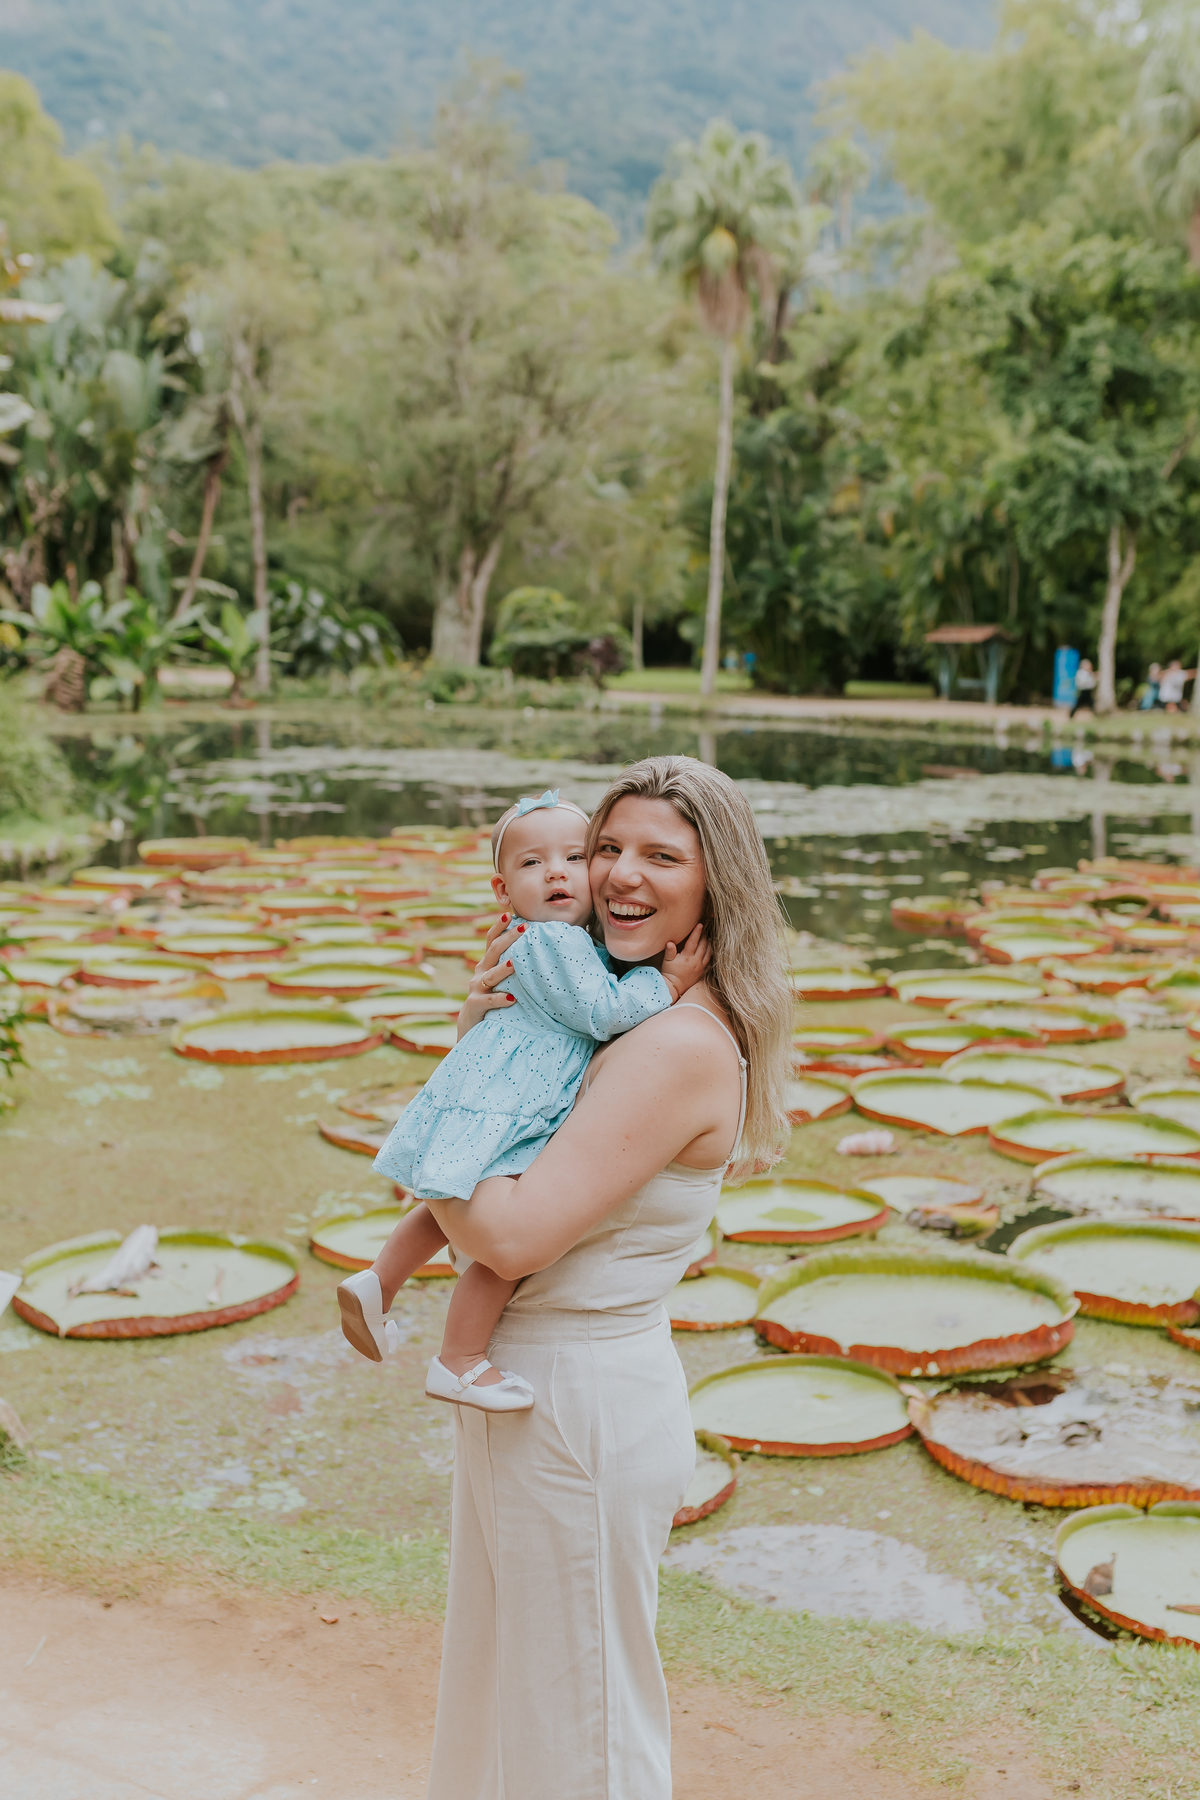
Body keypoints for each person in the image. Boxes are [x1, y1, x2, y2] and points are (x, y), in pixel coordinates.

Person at [409, 755, 792, 1800]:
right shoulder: (625, 1013)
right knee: (515, 1704)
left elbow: (515, 1236)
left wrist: (440, 1122)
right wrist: (481, 1047)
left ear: (718, 884)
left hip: (573, 1407)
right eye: (606, 847)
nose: (620, 875)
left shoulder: (673, 1043)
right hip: (540, 1394)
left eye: (661, 856)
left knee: (584, 1732)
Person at [335, 789, 710, 1411]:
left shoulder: (541, 940)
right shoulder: (556, 943)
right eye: (533, 863)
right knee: (505, 1252)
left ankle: (380, 1279)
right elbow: (600, 1013)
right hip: (515, 1099)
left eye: (574, 855)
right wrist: (664, 982)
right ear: (502, 889)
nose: (558, 871)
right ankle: (459, 1358)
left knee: (451, 1193)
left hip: (490, 1090)